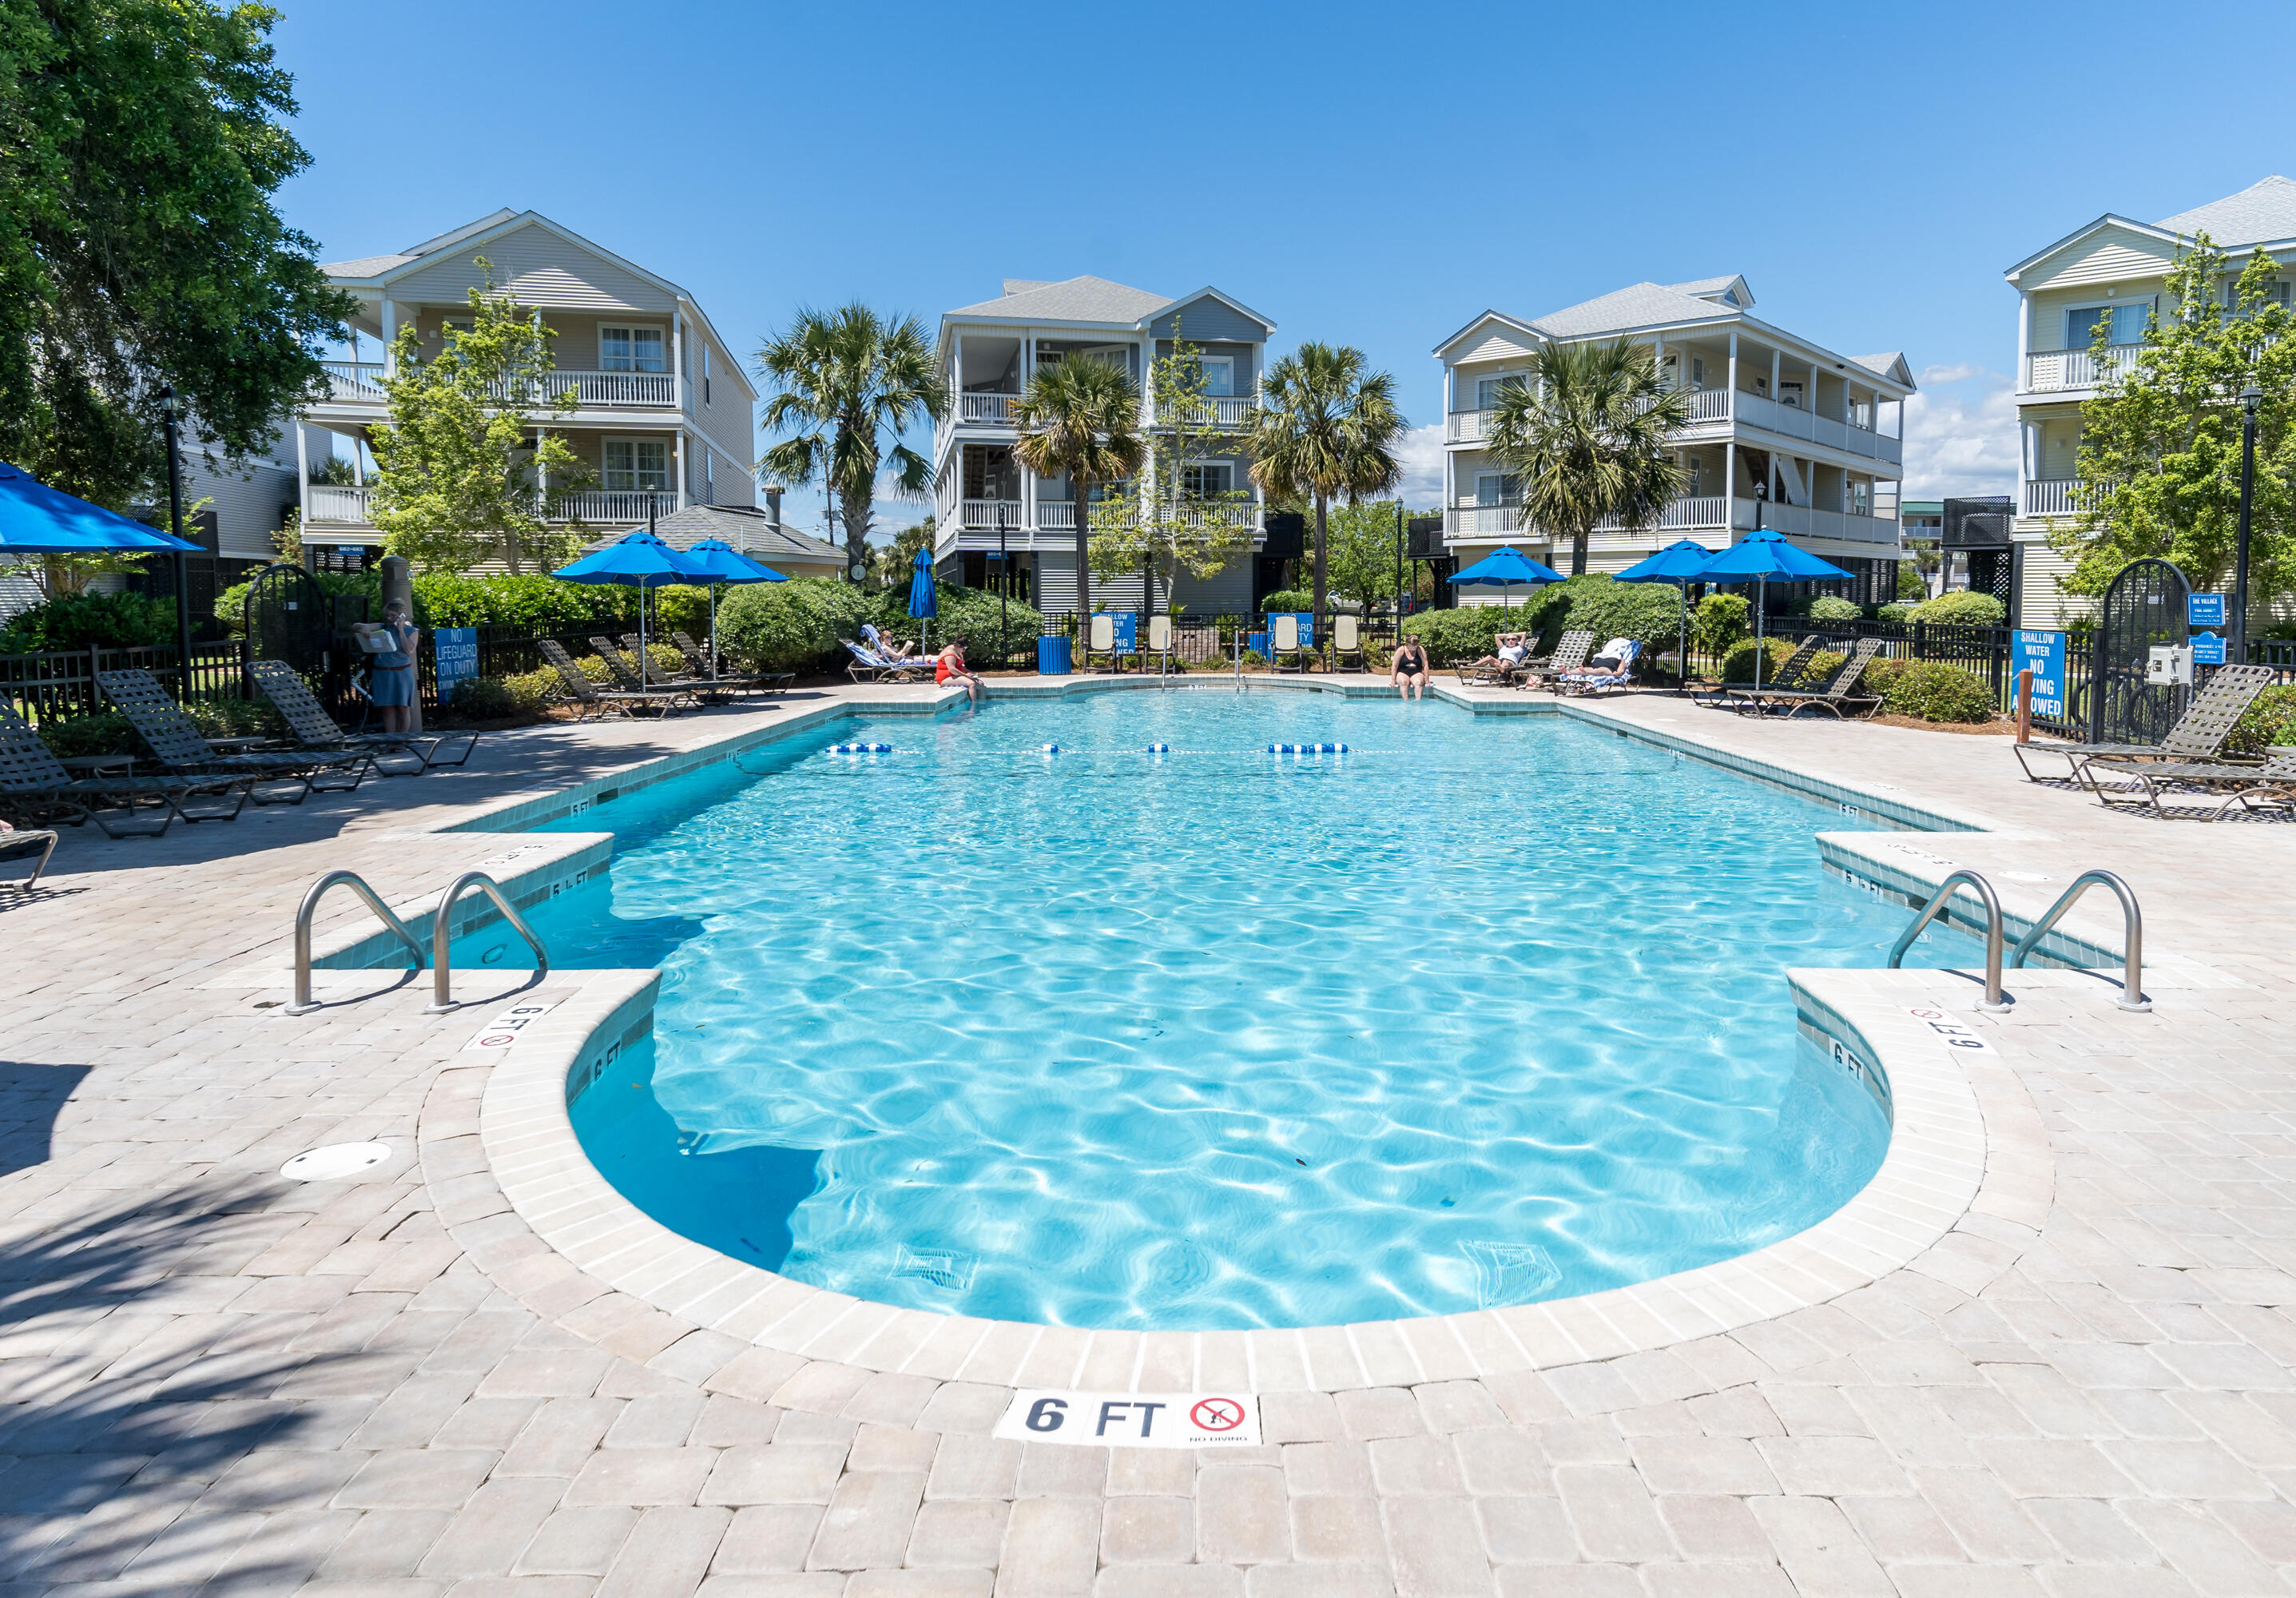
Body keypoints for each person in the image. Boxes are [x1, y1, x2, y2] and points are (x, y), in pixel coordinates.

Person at [364, 600, 420, 735]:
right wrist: (364, 630)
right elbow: (360, 627)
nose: (389, 619)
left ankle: (401, 740)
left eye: (393, 615)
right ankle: (390, 740)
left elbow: (409, 650)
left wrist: (401, 630)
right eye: (387, 616)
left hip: (401, 673)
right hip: (383, 673)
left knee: (403, 707)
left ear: (401, 615)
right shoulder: (384, 627)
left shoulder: (411, 631)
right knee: (387, 708)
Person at [1462, 630, 1532, 678]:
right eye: (1508, 639)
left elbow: (1524, 634)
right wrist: (1508, 635)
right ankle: (1474, 665)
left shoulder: (1520, 647)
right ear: (1507, 641)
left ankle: (1502, 668)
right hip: (1498, 662)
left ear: (1516, 640)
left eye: (1513, 639)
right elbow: (1497, 636)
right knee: (1489, 657)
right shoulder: (1502, 647)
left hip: (1511, 662)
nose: (1510, 641)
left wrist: (1513, 634)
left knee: (1505, 661)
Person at [935, 639, 983, 704]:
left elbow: (961, 666)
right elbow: (952, 669)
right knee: (971, 684)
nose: (964, 651)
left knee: (980, 683)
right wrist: (966, 675)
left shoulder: (957, 651)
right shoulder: (949, 653)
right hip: (945, 678)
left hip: (956, 675)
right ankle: (974, 707)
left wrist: (969, 672)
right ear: (958, 646)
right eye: (963, 649)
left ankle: (983, 704)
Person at [1389, 634, 1431, 700]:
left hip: (1416, 672)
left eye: (1415, 647)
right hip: (1402, 672)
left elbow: (1425, 665)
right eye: (1412, 647)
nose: (1414, 649)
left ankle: (1418, 703)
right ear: (1407, 644)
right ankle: (1406, 703)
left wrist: (1427, 680)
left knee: (1418, 683)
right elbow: (1394, 666)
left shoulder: (1420, 649)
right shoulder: (1401, 650)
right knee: (1403, 683)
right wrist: (1393, 681)